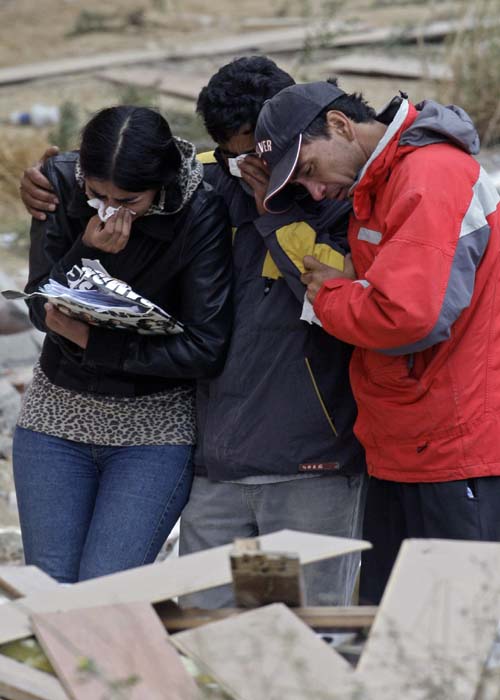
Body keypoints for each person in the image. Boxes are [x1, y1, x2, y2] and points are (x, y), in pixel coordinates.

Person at [20, 58, 367, 607]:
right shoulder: (209, 184)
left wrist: (273, 210)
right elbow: (130, 174)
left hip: (305, 466)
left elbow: (350, 303)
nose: (249, 165)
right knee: (214, 636)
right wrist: (46, 183)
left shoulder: (339, 196)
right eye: (234, 153)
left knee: (291, 638)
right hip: (219, 469)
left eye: (263, 152)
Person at [254, 78, 500, 603]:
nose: (316, 193)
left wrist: (330, 296)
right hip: (408, 442)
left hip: (452, 446)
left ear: (341, 125)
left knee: (455, 632)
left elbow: (410, 315)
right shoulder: (385, 182)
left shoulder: (429, 176)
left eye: (310, 171)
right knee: (396, 627)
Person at [14, 105, 232, 583]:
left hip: (153, 429)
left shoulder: (200, 209)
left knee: (109, 590)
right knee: (50, 592)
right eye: (98, 195)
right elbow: (38, 306)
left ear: (161, 184)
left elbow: (204, 348)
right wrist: (87, 251)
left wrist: (95, 342)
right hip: (57, 416)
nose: (111, 211)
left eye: (129, 200)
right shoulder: (58, 182)